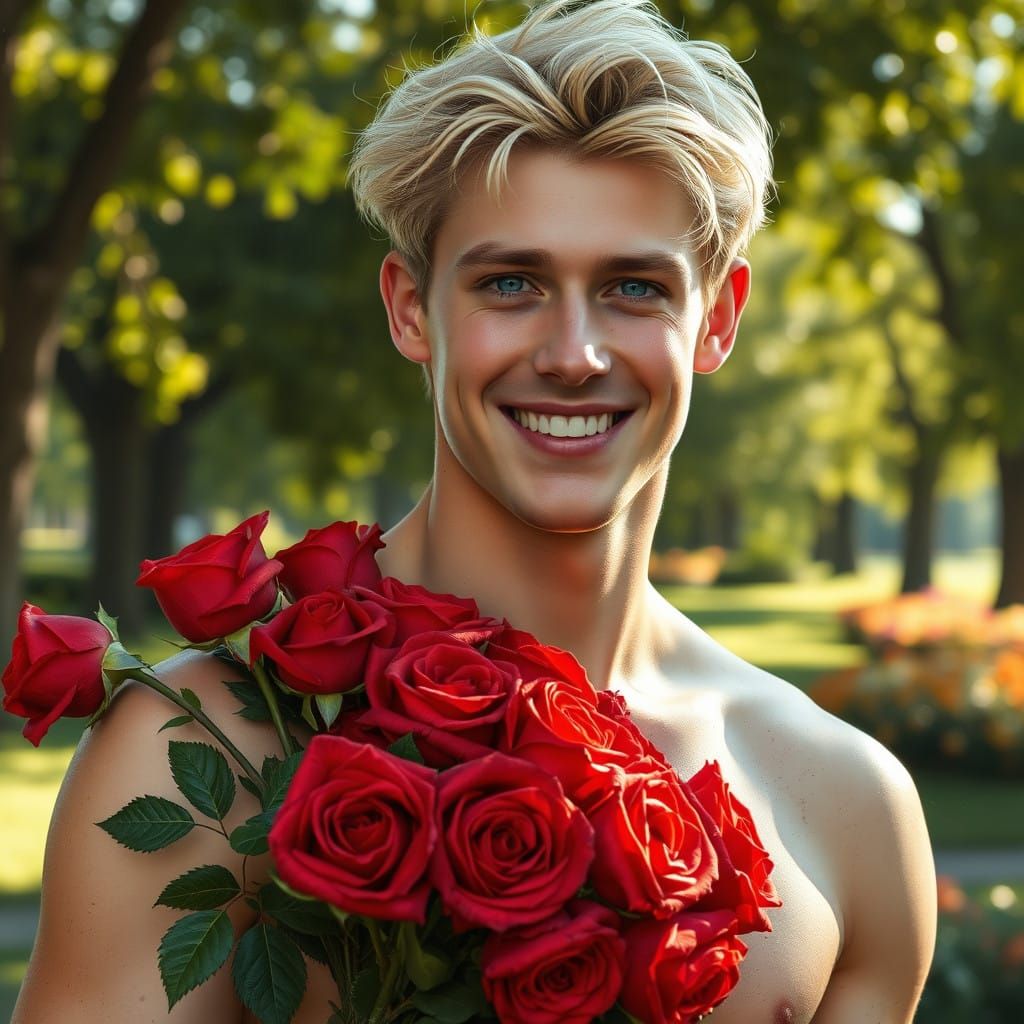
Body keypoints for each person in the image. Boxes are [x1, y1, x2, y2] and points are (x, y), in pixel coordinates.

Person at [13, 1, 936, 1021]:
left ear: (715, 318)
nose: (573, 354)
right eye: (510, 283)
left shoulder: (847, 804)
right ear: (411, 307)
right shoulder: (211, 757)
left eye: (634, 287)